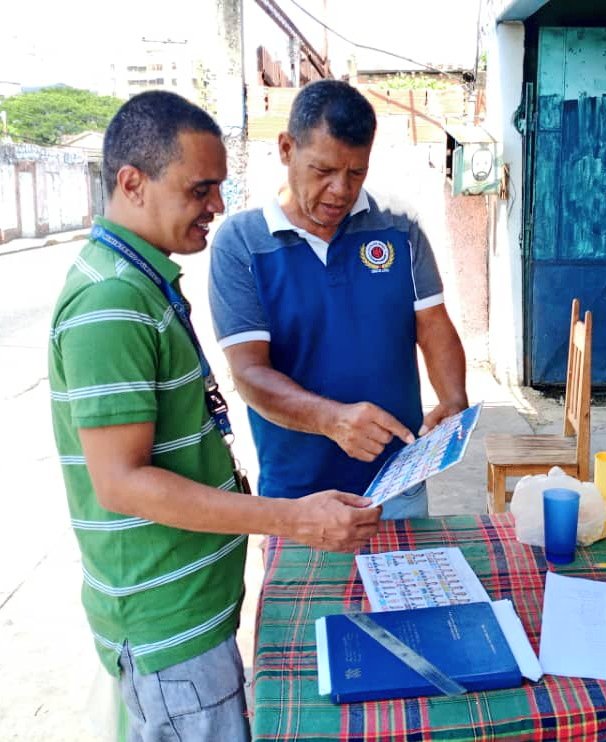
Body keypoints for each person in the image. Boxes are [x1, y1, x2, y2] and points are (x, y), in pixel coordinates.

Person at [49, 90, 381, 741]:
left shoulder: (139, 282)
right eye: (200, 190)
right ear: (132, 183)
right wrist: (292, 517)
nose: (218, 206)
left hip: (187, 612)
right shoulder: (110, 301)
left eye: (220, 188)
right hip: (168, 626)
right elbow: (121, 484)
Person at [208, 79, 468, 514]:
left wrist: (454, 398)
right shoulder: (241, 244)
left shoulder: (399, 227)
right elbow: (249, 373)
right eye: (324, 171)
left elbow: (434, 325)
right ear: (286, 149)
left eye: (356, 173)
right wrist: (333, 420)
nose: (341, 190)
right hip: (297, 498)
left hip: (397, 485)